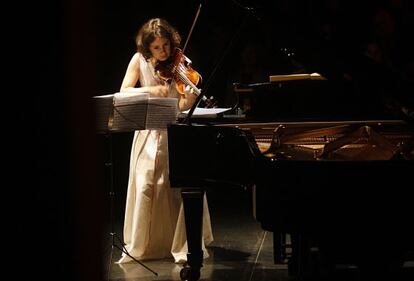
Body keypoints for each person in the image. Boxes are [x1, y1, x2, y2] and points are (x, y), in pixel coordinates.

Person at [116, 18, 214, 264]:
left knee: (178, 188)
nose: (164, 52)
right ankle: (148, 245)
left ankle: (182, 243)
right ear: (148, 48)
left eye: (167, 45)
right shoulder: (138, 61)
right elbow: (124, 91)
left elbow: (180, 105)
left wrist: (189, 101)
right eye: (157, 48)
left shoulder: (179, 64)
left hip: (175, 133)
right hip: (148, 133)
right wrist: (149, 90)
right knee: (148, 184)